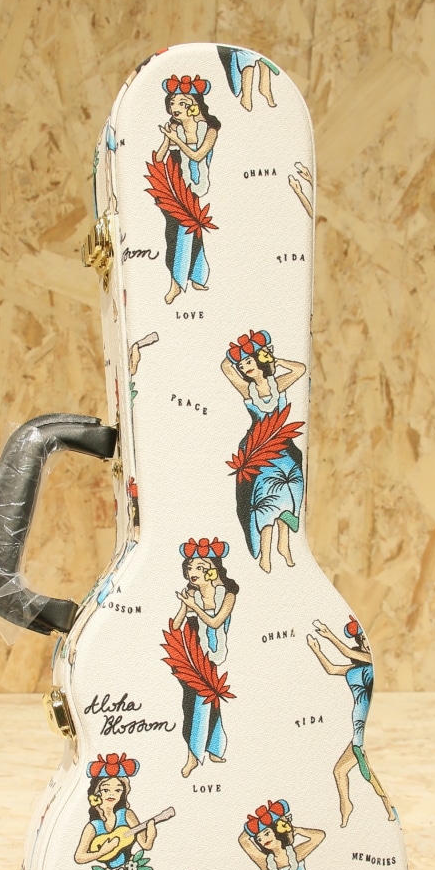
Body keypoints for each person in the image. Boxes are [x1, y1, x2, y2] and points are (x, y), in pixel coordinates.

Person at [221, 330, 306, 572]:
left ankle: (284, 545)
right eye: (242, 365)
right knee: (264, 501)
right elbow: (226, 367)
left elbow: (300, 369)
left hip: (283, 448)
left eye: (249, 361)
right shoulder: (247, 389)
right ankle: (265, 555)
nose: (245, 367)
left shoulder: (278, 384)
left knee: (288, 494)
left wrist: (274, 359)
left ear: (260, 359)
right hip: (258, 449)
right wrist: (238, 352)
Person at [307, 617, 397, 826]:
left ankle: (389, 809)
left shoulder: (371, 660)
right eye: (362, 639)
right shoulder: (355, 668)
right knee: (340, 771)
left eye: (368, 639)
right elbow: (331, 669)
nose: (366, 643)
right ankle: (346, 805)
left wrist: (329, 634)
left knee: (370, 773)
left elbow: (347, 651)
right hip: (357, 727)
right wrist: (316, 649)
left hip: (367, 728)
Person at [168, 538, 238, 778]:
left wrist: (194, 607)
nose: (193, 572)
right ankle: (207, 751)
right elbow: (175, 626)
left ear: (213, 569)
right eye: (190, 567)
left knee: (206, 701)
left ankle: (199, 754)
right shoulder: (192, 594)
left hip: (213, 654)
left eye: (200, 567)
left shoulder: (227, 595)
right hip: (191, 655)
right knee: (199, 702)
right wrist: (183, 605)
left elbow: (216, 622)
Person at [152, 75, 220, 303]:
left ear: (194, 105)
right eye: (172, 103)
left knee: (188, 230)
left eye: (182, 103)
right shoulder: (175, 128)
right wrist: (167, 139)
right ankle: (194, 277)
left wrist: (177, 141)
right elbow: (159, 158)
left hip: (196, 186)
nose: (175, 107)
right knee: (181, 231)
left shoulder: (209, 130)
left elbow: (198, 155)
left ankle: (180, 282)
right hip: (175, 187)